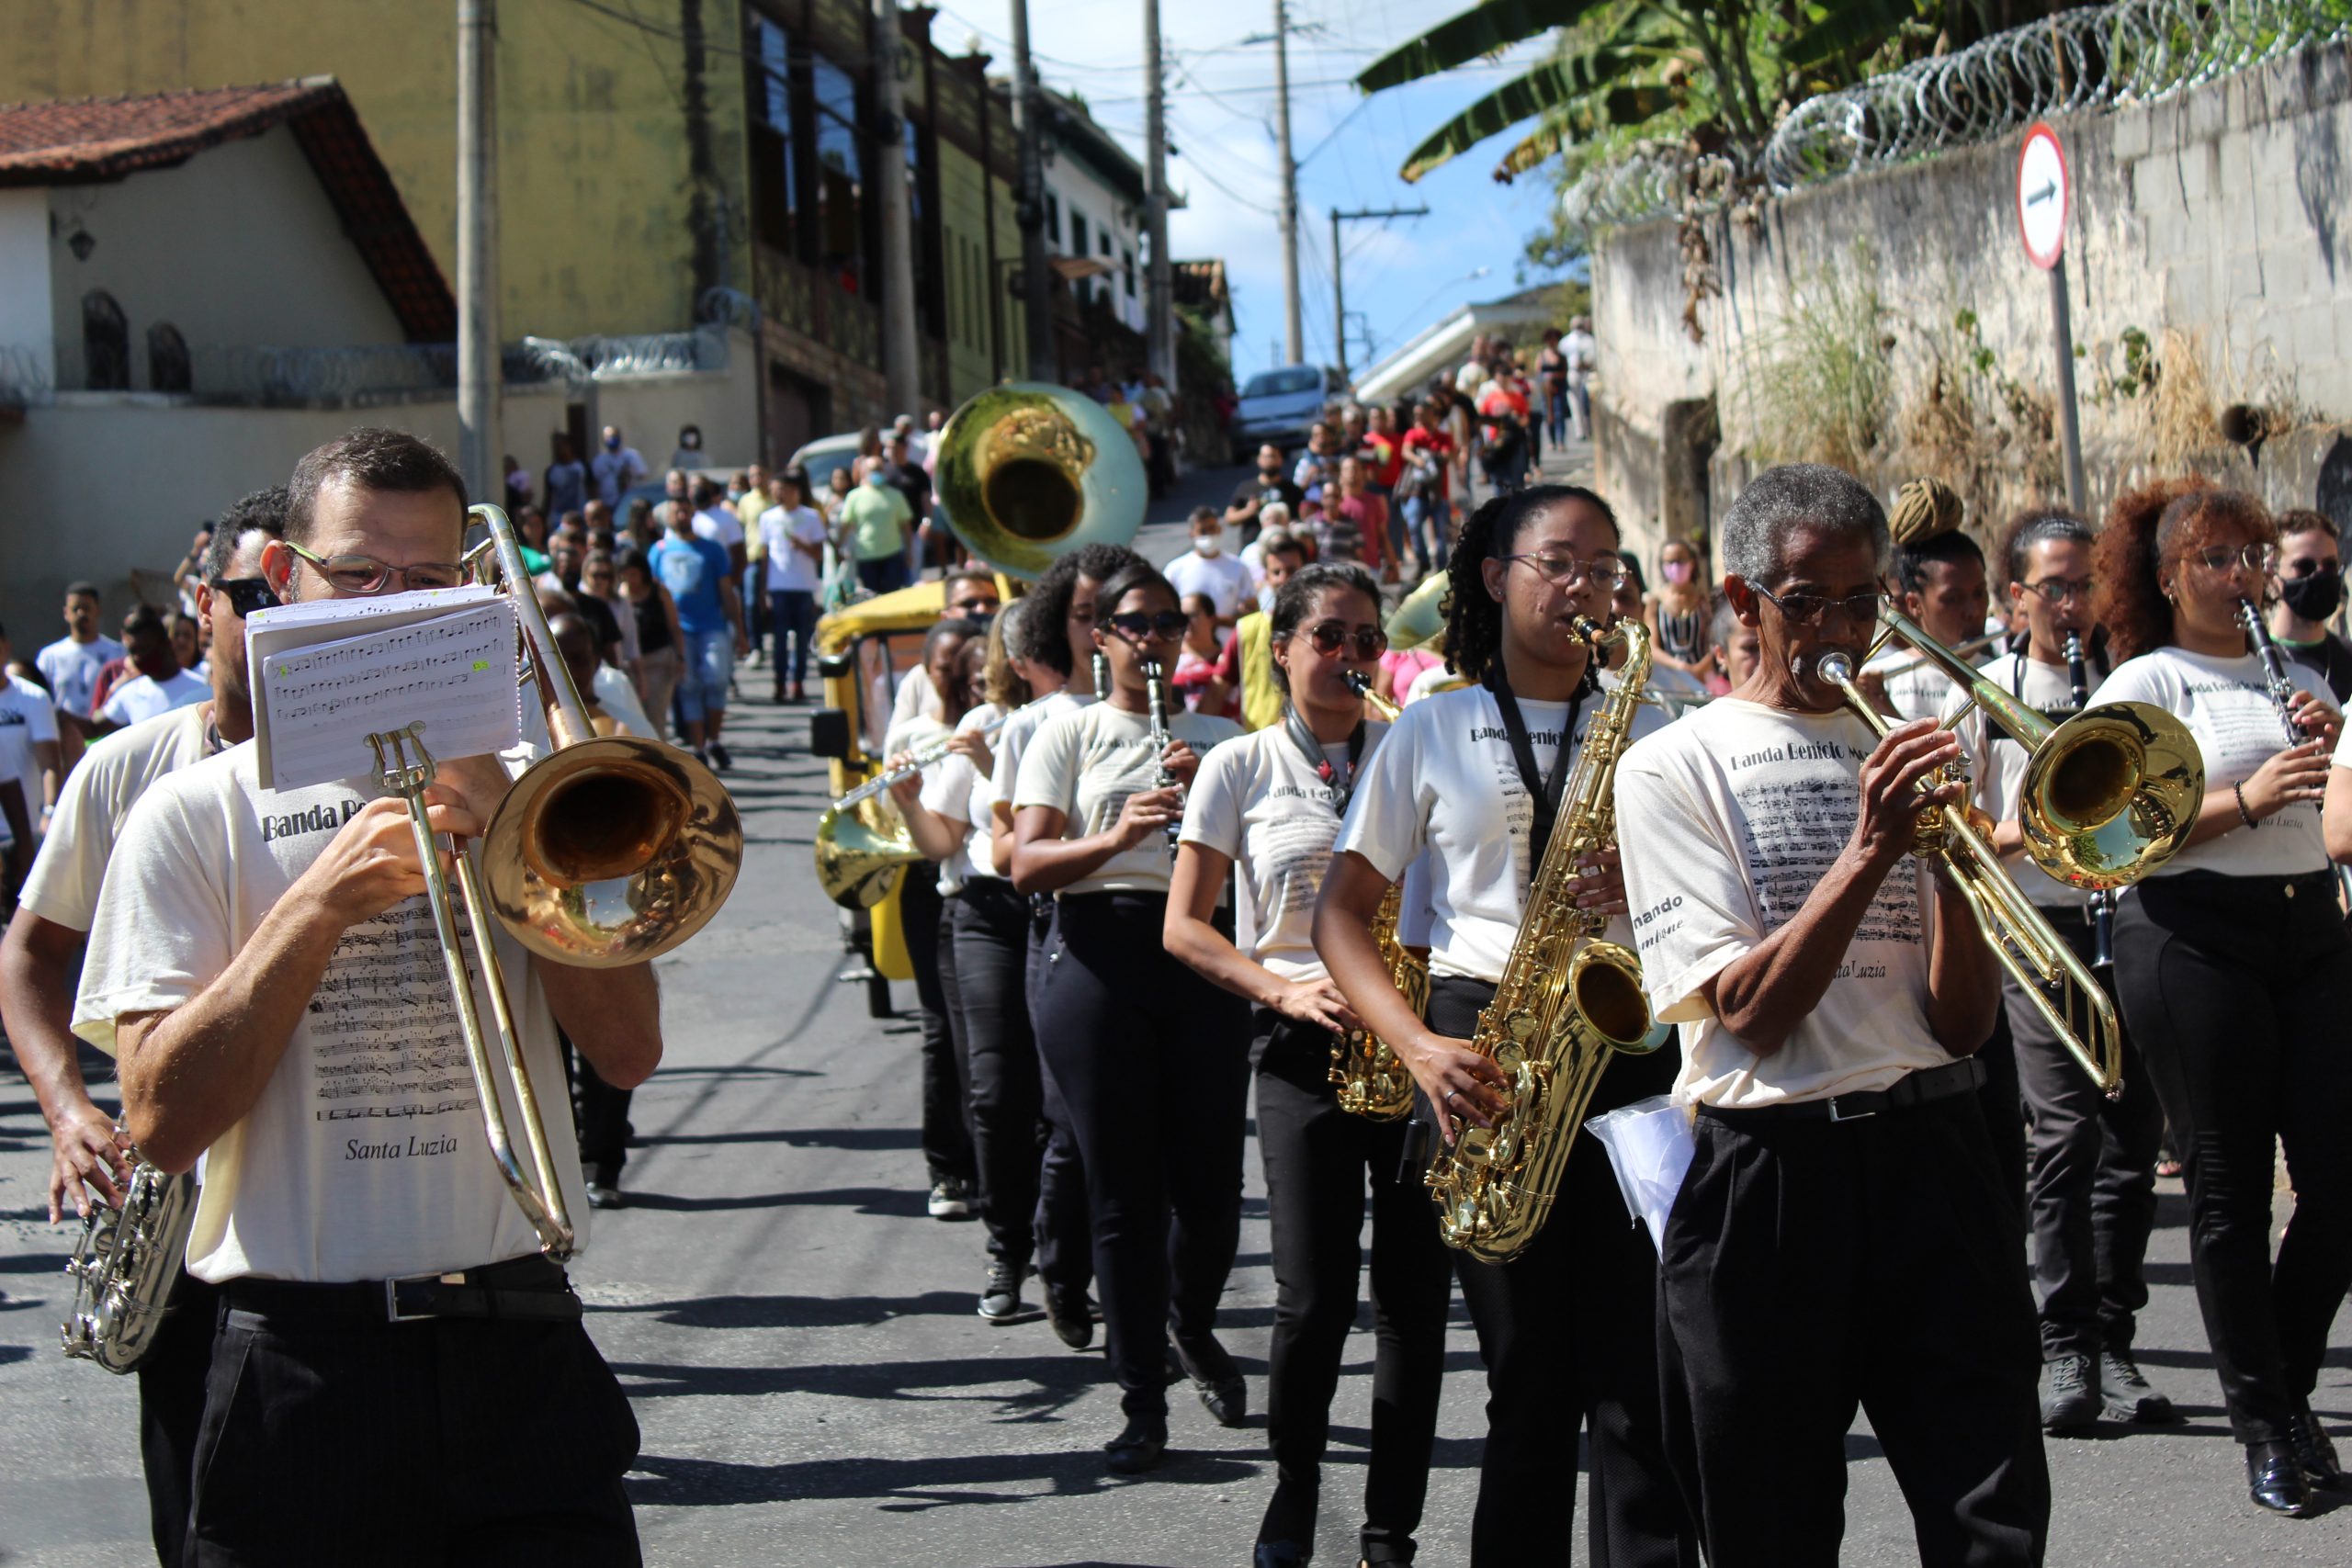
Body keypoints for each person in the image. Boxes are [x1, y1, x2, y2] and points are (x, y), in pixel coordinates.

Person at [74, 428, 655, 1562]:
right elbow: (161, 1122)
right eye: (357, 574)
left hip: (519, 1340)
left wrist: (517, 845)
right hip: (300, 1363)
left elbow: (628, 1052)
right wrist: (314, 911)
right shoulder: (191, 812)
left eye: (428, 578)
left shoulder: (538, 799)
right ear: (283, 577)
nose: (393, 608)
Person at [1611, 462, 2047, 1564]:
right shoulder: (1672, 764)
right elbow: (1749, 1014)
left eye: (1863, 601)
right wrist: (1869, 850)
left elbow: (1962, 1028)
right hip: (1769, 1171)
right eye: (1806, 603)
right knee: (1771, 1527)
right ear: (1743, 599)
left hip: (1934, 1147)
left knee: (1991, 1513)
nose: (1840, 631)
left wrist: (1949, 863)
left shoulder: (1908, 747)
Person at [1315, 486, 1691, 1568]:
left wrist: (1650, 879)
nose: (1584, 588)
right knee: (1529, 1379)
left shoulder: (1656, 726)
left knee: (1641, 1377)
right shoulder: (1433, 726)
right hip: (1484, 1049)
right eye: (1558, 563)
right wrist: (1418, 1047)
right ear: (1494, 576)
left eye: (1603, 569)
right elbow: (1339, 914)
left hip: (1630, 1045)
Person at [0, 488, 280, 1568]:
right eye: (255, 598)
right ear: (200, 602)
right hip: (180, 1193)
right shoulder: (125, 766)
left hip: (340, 1192)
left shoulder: (382, 757)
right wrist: (67, 1109)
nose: (280, 621)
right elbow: (30, 954)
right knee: (199, 1515)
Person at [1169, 561, 1450, 1568]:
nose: (1349, 655)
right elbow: (1184, 928)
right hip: (1303, 1047)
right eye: (1328, 636)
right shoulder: (1238, 766)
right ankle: (1295, 1485)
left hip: (1413, 1042)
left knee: (1414, 1300)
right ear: (1281, 648)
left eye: (1367, 639)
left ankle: (1390, 1528)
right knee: (1313, 1296)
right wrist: (1281, 991)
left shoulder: (1416, 747)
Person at [2095, 479, 2352, 1517]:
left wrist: (2332, 748)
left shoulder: (2300, 674)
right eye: (2214, 558)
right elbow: (2109, 832)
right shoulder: (2147, 682)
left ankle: (2283, 1390)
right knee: (2229, 1191)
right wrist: (2245, 796)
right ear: (2168, 578)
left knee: (2339, 1183)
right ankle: (2265, 1428)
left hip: (2309, 925)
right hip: (2192, 934)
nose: (2240, 574)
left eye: (2251, 556)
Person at [1012, 561, 1249, 1472]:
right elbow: (1026, 863)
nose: (1152, 639)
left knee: (1212, 1190)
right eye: (1134, 623)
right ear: (1101, 635)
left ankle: (1190, 1321)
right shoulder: (1068, 731)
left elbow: (1274, 860)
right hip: (1100, 949)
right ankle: (1141, 1396)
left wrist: (1211, 795)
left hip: (1203, 951)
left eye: (1167, 623)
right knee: (1123, 1192)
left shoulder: (1223, 737)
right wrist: (1118, 833)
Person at [1946, 505, 2170, 1434]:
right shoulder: (1983, 694)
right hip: (2034, 931)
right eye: (2054, 587)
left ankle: (2114, 1335)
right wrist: (2035, 826)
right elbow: (1955, 832)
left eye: (2085, 586)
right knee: (2065, 1135)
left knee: (2130, 1140)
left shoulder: (2125, 685)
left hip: (2127, 922)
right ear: (2017, 596)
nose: (2072, 604)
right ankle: (2065, 1337)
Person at [890, 602, 1046, 1316]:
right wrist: (906, 800)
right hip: (984, 910)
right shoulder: (983, 722)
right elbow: (941, 839)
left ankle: (1064, 1249)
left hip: (1060, 906)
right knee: (995, 1088)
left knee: (1063, 1095)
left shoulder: (1078, 720)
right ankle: (1006, 1247)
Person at [887, 617, 992, 1225]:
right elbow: (897, 812)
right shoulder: (916, 732)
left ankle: (995, 1162)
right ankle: (948, 1165)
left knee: (989, 1036)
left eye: (969, 669)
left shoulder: (995, 726)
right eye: (945, 668)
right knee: (941, 1028)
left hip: (984, 876)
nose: (956, 677)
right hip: (929, 875)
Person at [1859, 524, 1993, 722]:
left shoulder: (2007, 675)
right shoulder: (1879, 679)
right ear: (1914, 604)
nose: (1973, 611)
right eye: (1953, 599)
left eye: (1979, 593)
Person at [650, 497, 747, 768]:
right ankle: (699, 747)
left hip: (712, 626)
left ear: (693, 514)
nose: (681, 515)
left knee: (717, 680)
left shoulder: (712, 550)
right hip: (679, 631)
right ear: (668, 517)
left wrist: (740, 631)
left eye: (685, 510)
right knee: (689, 686)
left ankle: (714, 738)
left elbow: (727, 591)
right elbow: (653, 593)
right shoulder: (659, 551)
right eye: (676, 511)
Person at [1208, 535, 1311, 731]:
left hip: (1312, 739)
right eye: (1276, 572)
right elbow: (1216, 690)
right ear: (1266, 577)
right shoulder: (1246, 629)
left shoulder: (1324, 629)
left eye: (1291, 570)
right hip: (1259, 739)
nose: (1284, 578)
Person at [2267, 508, 2352, 702]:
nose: (2320, 576)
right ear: (2272, 572)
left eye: (2329, 566)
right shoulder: (2257, 660)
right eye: (2305, 566)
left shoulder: (2348, 656)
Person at [761, 471, 829, 704]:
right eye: (776, 491)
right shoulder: (768, 518)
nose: (779, 495)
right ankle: (779, 682)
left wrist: (802, 546)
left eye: (784, 490)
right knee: (780, 638)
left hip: (803, 586)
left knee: (801, 638)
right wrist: (762, 588)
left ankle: (798, 682)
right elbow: (764, 555)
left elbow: (819, 554)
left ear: (795, 492)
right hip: (779, 586)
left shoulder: (811, 516)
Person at [94, 604, 209, 732]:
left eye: (143, 649)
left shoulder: (201, 687)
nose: (137, 658)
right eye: (132, 652)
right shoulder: (131, 691)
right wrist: (112, 690)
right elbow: (94, 727)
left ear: (164, 643)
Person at [39, 581, 126, 734]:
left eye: (86, 608)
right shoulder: (50, 656)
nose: (81, 613)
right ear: (66, 613)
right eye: (75, 609)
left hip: (106, 735)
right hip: (67, 737)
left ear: (98, 611)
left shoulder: (117, 652)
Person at [615, 553, 682, 741]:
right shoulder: (620, 594)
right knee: (633, 718)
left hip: (659, 659)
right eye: (625, 574)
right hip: (632, 664)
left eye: (634, 574)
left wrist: (681, 657)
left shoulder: (659, 591)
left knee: (656, 716)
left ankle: (658, 753)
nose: (630, 579)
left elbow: (674, 626)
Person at [1165, 506, 1252, 624]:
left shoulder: (1238, 566)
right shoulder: (1175, 569)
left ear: (1219, 529)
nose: (1209, 535)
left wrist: (1223, 621)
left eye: (1212, 529)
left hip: (1229, 634)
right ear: (1192, 534)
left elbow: (1251, 607)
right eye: (1203, 531)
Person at [1398, 399, 1457, 573]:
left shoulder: (1443, 436)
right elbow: (1406, 451)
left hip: (1438, 491)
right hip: (1418, 491)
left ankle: (1441, 568)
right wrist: (1418, 459)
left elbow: (1447, 454)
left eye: (1422, 414)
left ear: (1431, 414)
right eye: (1416, 414)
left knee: (1440, 532)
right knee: (1413, 523)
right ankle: (1422, 560)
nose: (1419, 417)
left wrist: (1434, 457)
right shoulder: (1414, 434)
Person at [843, 457, 917, 594]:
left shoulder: (896, 495)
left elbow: (906, 527)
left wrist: (909, 552)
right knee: (872, 596)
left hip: (892, 555)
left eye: (879, 469)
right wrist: (839, 549)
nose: (876, 473)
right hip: (866, 556)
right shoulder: (854, 496)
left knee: (893, 595)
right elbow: (845, 525)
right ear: (864, 472)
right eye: (873, 470)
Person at [1645, 539, 1713, 685]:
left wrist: (1698, 669)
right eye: (1670, 562)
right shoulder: (1655, 603)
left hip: (1702, 680)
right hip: (1667, 682)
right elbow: (1652, 648)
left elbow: (1714, 642)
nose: (1675, 566)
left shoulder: (1705, 602)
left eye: (1680, 560)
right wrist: (1681, 667)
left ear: (1692, 563)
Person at [1227, 446, 1306, 547]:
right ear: (1259, 460)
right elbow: (1230, 518)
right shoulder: (1246, 487)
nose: (1269, 460)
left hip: (1283, 546)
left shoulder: (1292, 489)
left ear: (1280, 459)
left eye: (1273, 456)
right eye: (1265, 457)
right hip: (1254, 545)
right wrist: (1248, 511)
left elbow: (1303, 517)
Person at [591, 423, 649, 507]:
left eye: (614, 436)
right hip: (608, 502)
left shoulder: (632, 455)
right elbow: (595, 483)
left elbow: (642, 476)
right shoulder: (599, 460)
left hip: (629, 501)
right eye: (608, 437)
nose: (611, 439)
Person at [1562, 316, 1597, 441]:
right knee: (1578, 403)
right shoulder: (1569, 341)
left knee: (1582, 403)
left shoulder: (1585, 340)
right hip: (1577, 373)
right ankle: (1583, 430)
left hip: (1583, 373)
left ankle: (1584, 430)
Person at [1538, 327, 1570, 450]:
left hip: (1558, 388)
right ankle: (1552, 440)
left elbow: (1564, 372)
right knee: (1548, 414)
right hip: (1546, 390)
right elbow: (1538, 373)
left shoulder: (1561, 357)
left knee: (1559, 414)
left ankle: (1561, 440)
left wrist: (1554, 376)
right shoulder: (1542, 356)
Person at [544, 432, 589, 519]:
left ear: (569, 446)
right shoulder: (551, 471)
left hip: (580, 515)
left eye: (561, 446)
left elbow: (591, 490)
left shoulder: (582, 467)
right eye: (556, 448)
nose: (559, 450)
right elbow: (548, 497)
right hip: (559, 518)